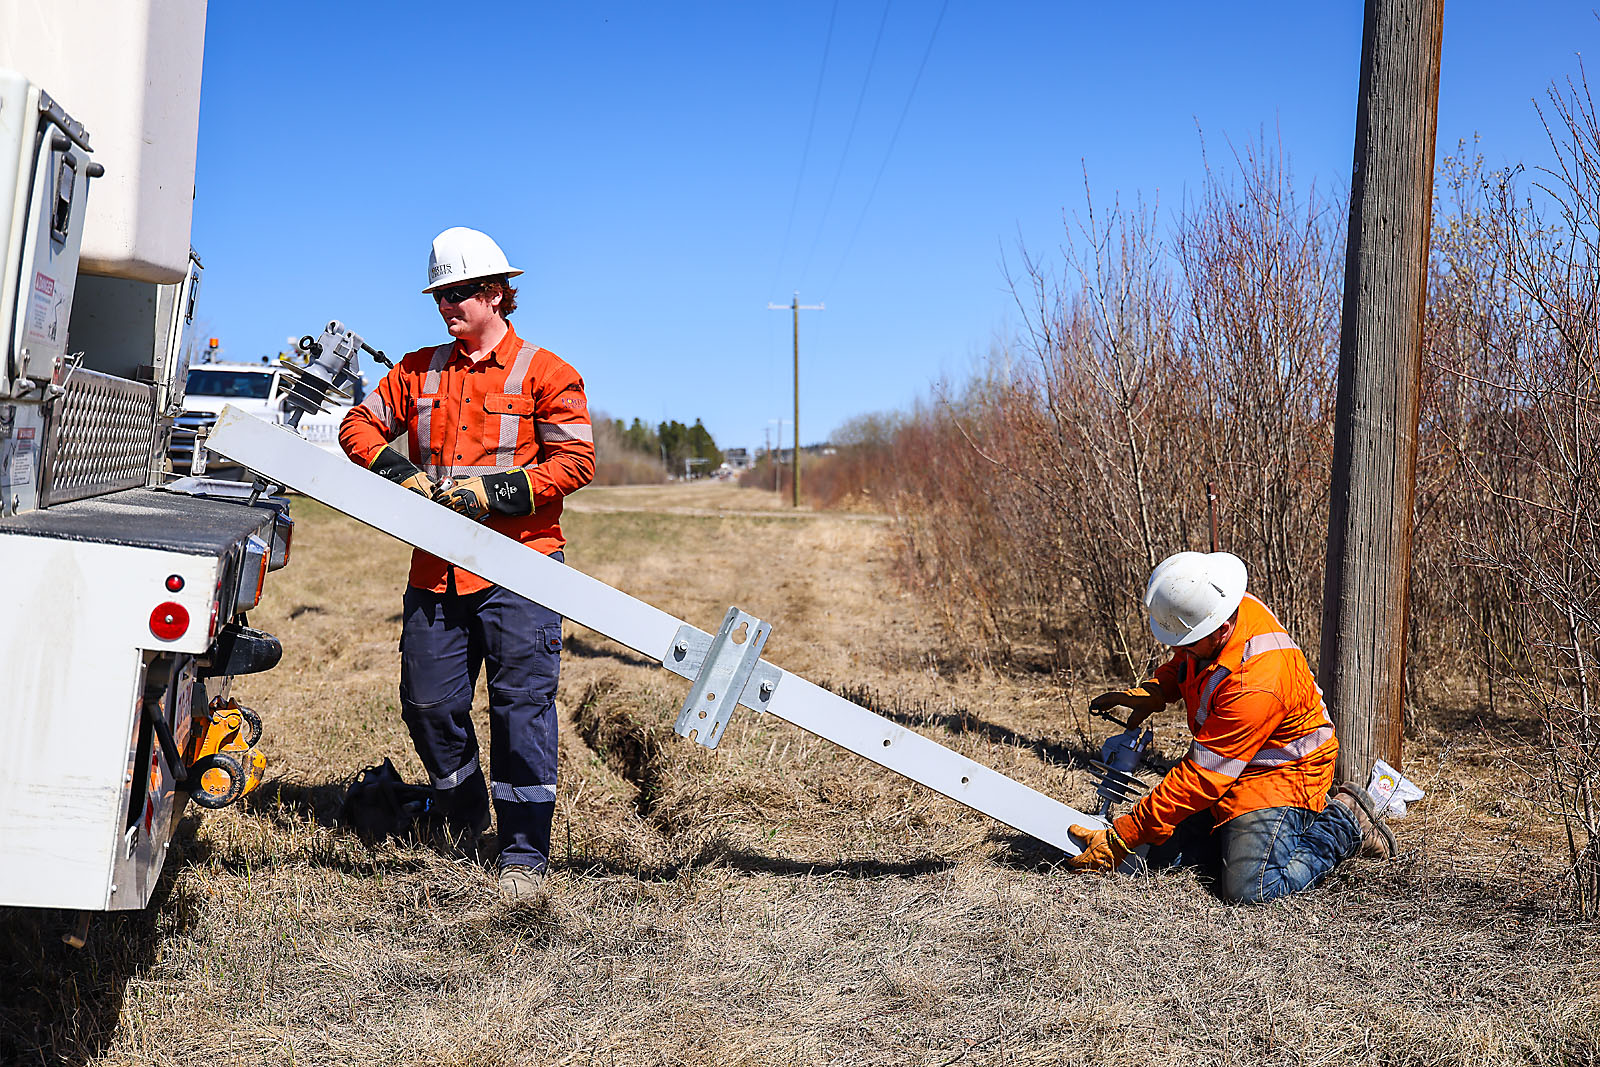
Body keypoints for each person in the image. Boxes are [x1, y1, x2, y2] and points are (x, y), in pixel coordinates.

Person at [338, 227, 595, 901]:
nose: (447, 306)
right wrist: (403, 476)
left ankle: (521, 853)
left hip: (523, 570)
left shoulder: (548, 372)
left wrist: (492, 492)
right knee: (428, 704)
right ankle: (462, 814)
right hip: (436, 573)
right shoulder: (418, 370)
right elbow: (356, 427)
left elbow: (576, 462)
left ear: (497, 294)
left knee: (521, 712)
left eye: (459, 294)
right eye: (439, 296)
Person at [1067, 551, 1395, 902]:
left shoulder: (1256, 682)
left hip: (1283, 772)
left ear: (1220, 630)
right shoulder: (1223, 608)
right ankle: (1226, 837)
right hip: (1236, 762)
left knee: (1249, 889)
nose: (1182, 652)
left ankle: (1344, 821)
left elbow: (1202, 776)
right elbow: (1190, 662)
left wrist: (1122, 836)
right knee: (1162, 855)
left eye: (1187, 645)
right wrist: (1157, 691)